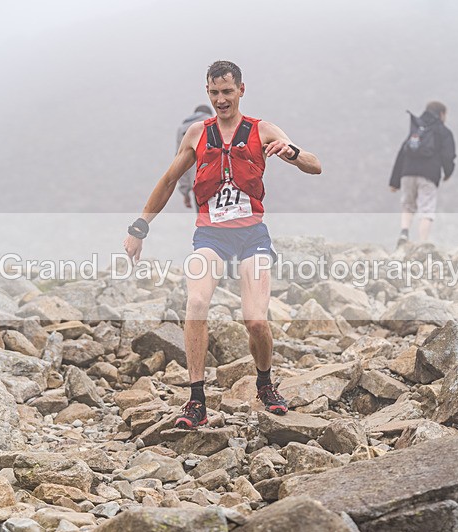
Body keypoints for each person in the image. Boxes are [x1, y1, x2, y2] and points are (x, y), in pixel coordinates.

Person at [123, 60, 322, 429]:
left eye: (227, 92)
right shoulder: (198, 133)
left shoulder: (263, 130)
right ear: (207, 92)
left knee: (256, 320)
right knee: (196, 302)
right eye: (214, 93)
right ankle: (196, 400)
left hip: (251, 236)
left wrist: (291, 153)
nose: (221, 100)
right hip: (211, 235)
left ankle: (264, 383)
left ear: (241, 90)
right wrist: (140, 227)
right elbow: (168, 181)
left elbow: (315, 164)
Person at [389, 101, 456, 246]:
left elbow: (402, 153)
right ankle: (422, 242)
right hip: (428, 174)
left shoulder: (416, 129)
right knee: (427, 208)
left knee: (408, 204)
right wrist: (448, 172)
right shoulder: (443, 131)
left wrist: (394, 182)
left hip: (407, 173)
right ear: (442, 114)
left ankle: (404, 232)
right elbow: (448, 155)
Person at [177, 105, 214, 211]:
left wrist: (185, 192)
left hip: (197, 184)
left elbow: (180, 162)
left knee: (203, 222)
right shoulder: (216, 124)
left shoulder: (182, 130)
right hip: (217, 181)